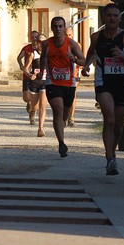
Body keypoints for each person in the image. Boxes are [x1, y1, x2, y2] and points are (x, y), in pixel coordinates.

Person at [82, 4, 124, 176]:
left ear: (120, 18)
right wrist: (86, 66)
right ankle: (109, 157)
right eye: (109, 15)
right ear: (104, 18)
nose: (112, 18)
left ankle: (112, 152)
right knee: (109, 119)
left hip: (123, 84)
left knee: (118, 125)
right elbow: (90, 53)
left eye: (115, 16)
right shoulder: (96, 37)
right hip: (103, 82)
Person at [39, 17, 86, 158]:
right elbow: (43, 58)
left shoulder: (71, 44)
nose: (58, 29)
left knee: (65, 114)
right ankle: (61, 143)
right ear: (52, 28)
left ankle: (62, 126)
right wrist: (42, 71)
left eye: (60, 26)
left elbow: (83, 60)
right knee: (57, 110)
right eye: (55, 26)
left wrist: (74, 59)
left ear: (64, 28)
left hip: (68, 83)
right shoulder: (46, 44)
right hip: (52, 82)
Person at [22, 34, 48, 137]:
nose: (42, 44)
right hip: (34, 83)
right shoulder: (33, 54)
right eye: (40, 42)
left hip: (45, 82)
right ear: (38, 43)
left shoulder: (49, 54)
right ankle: (32, 111)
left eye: (44, 42)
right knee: (35, 106)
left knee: (43, 105)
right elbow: (25, 68)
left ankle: (40, 128)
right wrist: (29, 74)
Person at [17, 30, 40, 115]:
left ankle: (33, 113)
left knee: (36, 96)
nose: (34, 39)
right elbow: (19, 58)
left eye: (36, 37)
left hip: (37, 76)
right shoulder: (27, 48)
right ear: (30, 38)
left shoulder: (41, 48)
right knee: (26, 97)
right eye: (32, 37)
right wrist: (21, 66)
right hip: (27, 74)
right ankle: (29, 102)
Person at [66, 27, 81, 127]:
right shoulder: (59, 45)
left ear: (72, 35)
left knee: (73, 95)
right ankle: (65, 116)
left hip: (74, 73)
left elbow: (81, 58)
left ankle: (71, 117)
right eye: (66, 35)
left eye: (69, 35)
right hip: (62, 73)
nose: (68, 37)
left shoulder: (76, 45)